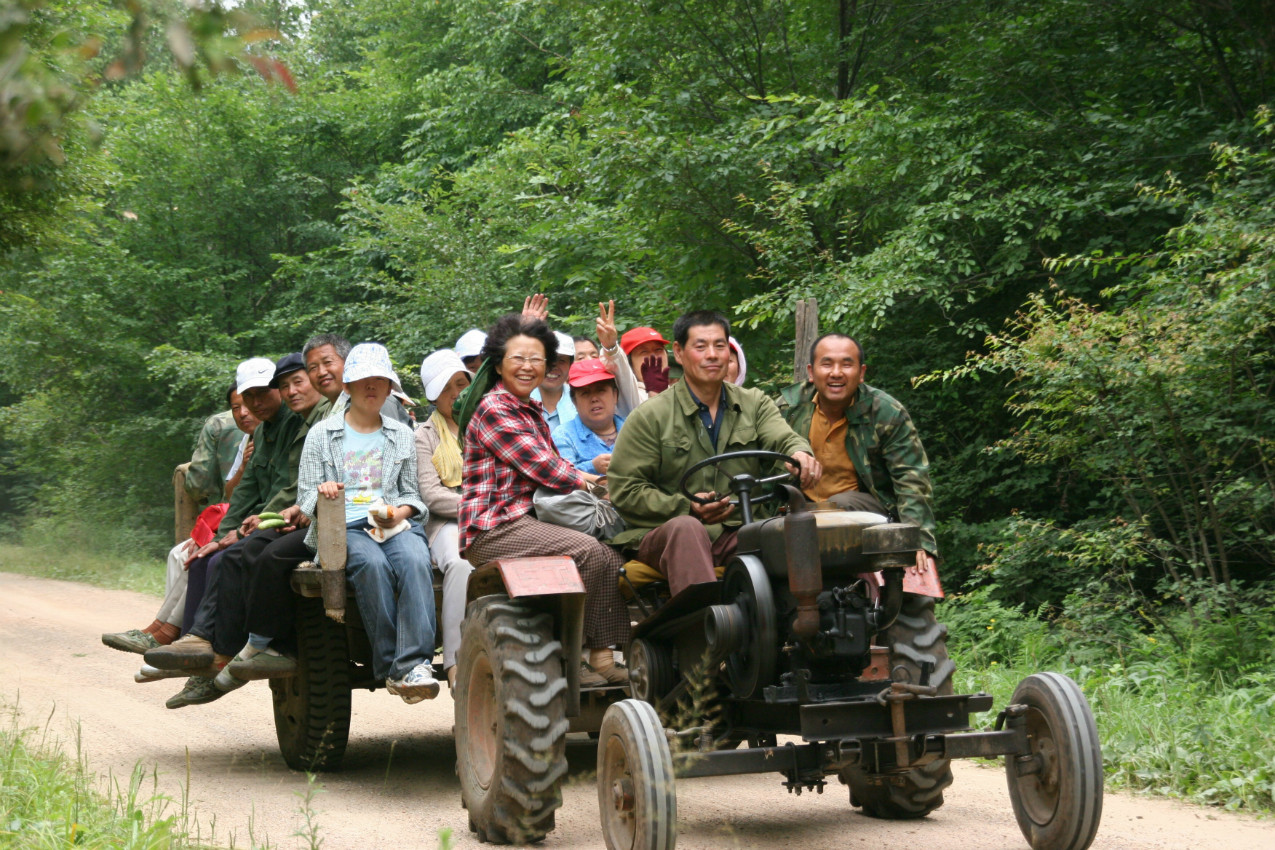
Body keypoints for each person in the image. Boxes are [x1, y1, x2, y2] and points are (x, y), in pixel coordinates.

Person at [459, 314, 629, 687]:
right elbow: (545, 468)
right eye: (518, 358)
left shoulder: (530, 409)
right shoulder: (495, 408)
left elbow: (556, 467)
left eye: (536, 359)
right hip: (495, 525)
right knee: (587, 551)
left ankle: (602, 653)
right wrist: (593, 483)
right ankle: (574, 657)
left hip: (529, 519)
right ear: (499, 364)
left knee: (616, 551)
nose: (528, 367)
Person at [608, 310, 821, 595]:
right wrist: (687, 507)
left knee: (803, 532)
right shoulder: (650, 416)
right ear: (679, 353)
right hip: (665, 534)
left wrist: (799, 454)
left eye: (720, 346)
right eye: (701, 346)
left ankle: (813, 627)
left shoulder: (754, 403)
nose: (712, 355)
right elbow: (625, 491)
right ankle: (704, 632)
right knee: (687, 528)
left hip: (741, 530)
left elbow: (782, 437)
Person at [298, 342, 440, 702]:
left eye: (381, 380)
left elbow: (412, 494)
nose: (372, 387)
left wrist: (400, 513)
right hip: (343, 526)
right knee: (373, 565)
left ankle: (417, 664)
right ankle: (394, 667)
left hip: (388, 519)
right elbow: (304, 498)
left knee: (414, 558)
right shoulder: (321, 435)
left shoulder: (401, 433)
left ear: (390, 387)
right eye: (364, 380)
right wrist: (325, 492)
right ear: (347, 386)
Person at [101, 385, 258, 655]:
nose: (243, 413)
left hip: (261, 522)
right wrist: (243, 466)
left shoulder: (276, 432)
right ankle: (162, 630)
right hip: (240, 518)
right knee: (179, 553)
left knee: (202, 557)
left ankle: (179, 634)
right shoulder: (247, 440)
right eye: (235, 408)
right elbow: (234, 494)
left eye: (249, 403)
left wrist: (225, 535)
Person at [779, 333, 939, 571]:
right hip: (799, 513)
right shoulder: (787, 409)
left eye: (846, 364)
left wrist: (918, 540)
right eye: (827, 364)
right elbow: (761, 462)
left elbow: (911, 479)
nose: (836, 373)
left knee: (915, 573)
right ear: (811, 373)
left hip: (867, 513)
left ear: (861, 373)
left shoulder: (885, 412)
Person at [414, 349, 474, 688]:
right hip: (447, 523)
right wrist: (478, 506)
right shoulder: (425, 435)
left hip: (495, 516)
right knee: (461, 562)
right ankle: (454, 662)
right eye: (446, 388)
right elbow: (431, 495)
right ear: (433, 397)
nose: (456, 394)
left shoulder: (483, 425)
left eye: (461, 384)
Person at [551, 359, 625, 475]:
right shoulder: (564, 436)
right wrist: (592, 466)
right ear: (574, 401)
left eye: (601, 390)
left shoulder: (634, 430)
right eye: (585, 393)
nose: (594, 399)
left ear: (615, 395)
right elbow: (563, 477)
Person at [530, 331, 577, 430]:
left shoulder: (580, 402)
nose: (554, 366)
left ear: (570, 365)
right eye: (548, 359)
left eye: (561, 360)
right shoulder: (518, 401)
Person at [619, 326, 672, 398]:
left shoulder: (678, 392)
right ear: (628, 362)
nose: (654, 357)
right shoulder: (629, 397)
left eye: (658, 349)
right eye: (644, 352)